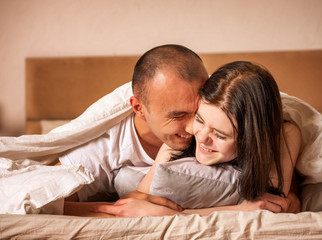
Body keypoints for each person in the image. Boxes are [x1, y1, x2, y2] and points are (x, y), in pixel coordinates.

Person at [61, 45, 297, 216]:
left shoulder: (231, 110)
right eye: (178, 116)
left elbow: (279, 199)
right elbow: (50, 203)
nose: (195, 130)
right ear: (138, 108)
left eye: (196, 113)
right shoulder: (107, 143)